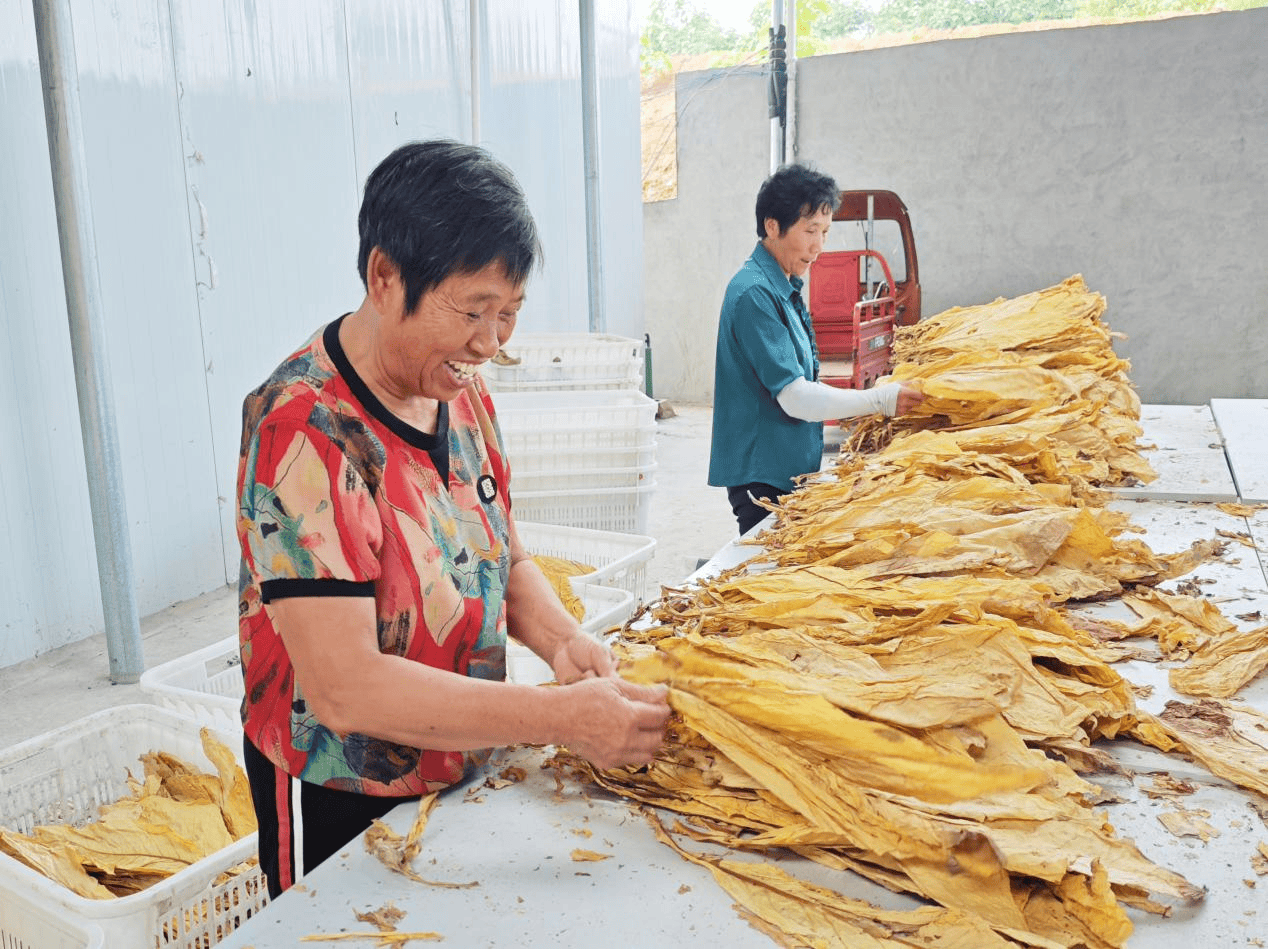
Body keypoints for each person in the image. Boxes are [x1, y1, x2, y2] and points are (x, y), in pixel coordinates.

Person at [236, 140, 671, 899]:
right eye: (473, 310)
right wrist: (556, 716)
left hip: (462, 754)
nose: (491, 342)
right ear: (384, 277)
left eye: (509, 315)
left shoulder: (460, 391)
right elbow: (346, 690)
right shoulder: (303, 430)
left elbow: (505, 557)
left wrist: (565, 642)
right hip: (342, 794)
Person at [708, 164, 924, 535]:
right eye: (810, 231)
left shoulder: (786, 285)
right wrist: (878, 401)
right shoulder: (754, 293)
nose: (819, 247)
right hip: (763, 476)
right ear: (773, 226)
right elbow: (795, 397)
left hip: (789, 467)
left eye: (824, 232)